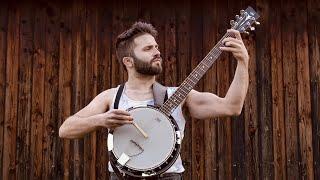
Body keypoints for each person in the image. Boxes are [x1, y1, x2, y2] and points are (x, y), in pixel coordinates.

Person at [59, 21, 249, 180]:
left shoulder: (178, 96)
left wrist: (243, 62)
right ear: (128, 61)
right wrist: (101, 120)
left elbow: (231, 107)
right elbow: (65, 129)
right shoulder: (111, 97)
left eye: (156, 47)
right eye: (148, 48)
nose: (157, 52)